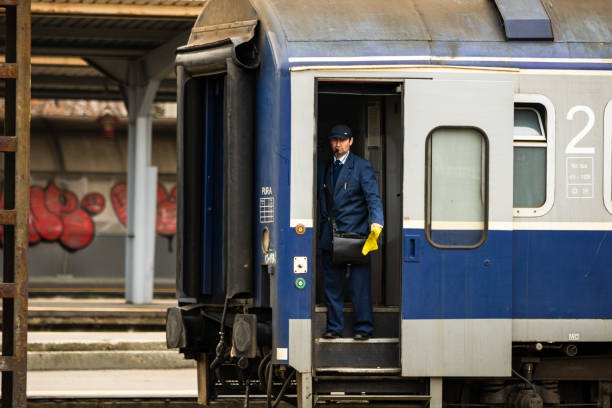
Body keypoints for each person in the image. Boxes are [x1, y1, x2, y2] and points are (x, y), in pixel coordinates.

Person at [317, 124, 384, 340]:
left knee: (359, 287)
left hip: (356, 236)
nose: (338, 144)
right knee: (332, 286)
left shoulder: (362, 167)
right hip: (330, 235)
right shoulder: (323, 168)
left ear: (351, 141)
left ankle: (363, 328)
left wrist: (376, 222)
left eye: (342, 140)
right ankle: (334, 328)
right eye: (335, 140)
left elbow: (373, 197)